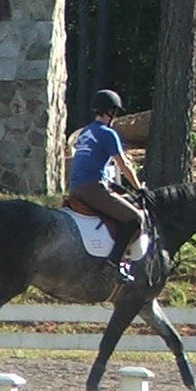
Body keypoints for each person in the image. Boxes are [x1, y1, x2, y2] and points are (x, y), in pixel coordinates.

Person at [66, 89, 146, 284]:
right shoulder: (107, 133)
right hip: (93, 188)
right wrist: (138, 188)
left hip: (76, 188)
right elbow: (123, 164)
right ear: (110, 111)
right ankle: (113, 263)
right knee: (136, 218)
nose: (115, 117)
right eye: (115, 113)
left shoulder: (86, 132)